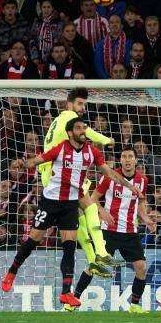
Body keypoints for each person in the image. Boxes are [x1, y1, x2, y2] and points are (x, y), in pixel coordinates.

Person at [0, 118, 141, 307]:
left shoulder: (92, 152)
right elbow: (37, 160)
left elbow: (110, 173)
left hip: (70, 205)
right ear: (69, 133)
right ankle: (11, 272)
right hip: (50, 202)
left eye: (84, 128)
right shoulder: (60, 148)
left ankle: (66, 293)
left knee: (69, 247)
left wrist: (130, 187)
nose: (83, 131)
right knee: (33, 241)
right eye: (78, 128)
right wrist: (23, 164)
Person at [40, 88, 119, 278]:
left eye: (84, 104)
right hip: (58, 174)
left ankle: (93, 260)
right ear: (70, 103)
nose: (83, 108)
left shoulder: (58, 121)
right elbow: (87, 132)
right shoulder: (68, 115)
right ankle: (101, 252)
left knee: (80, 219)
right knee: (90, 208)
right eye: (80, 104)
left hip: (49, 174)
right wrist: (107, 139)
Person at [70, 148, 157, 314]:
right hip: (109, 230)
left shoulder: (143, 180)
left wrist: (145, 218)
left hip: (130, 231)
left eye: (130, 156)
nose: (127, 159)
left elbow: (140, 203)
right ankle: (73, 299)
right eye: (124, 156)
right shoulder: (109, 177)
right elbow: (93, 198)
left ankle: (135, 305)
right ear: (120, 160)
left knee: (141, 267)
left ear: (136, 160)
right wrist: (102, 212)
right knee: (94, 265)